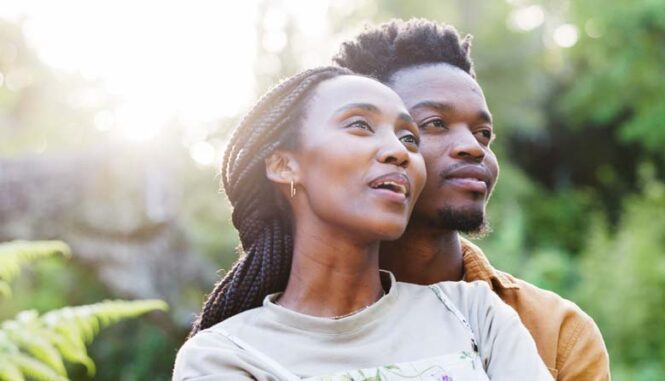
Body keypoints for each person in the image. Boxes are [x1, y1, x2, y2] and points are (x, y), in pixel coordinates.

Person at [173, 66, 552, 381]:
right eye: (359, 125)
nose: (398, 151)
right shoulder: (225, 358)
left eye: (409, 137)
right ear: (285, 164)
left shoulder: (475, 314)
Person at [335, 19, 611, 380]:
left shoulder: (555, 331)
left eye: (483, 134)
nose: (473, 147)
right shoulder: (285, 324)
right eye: (434, 123)